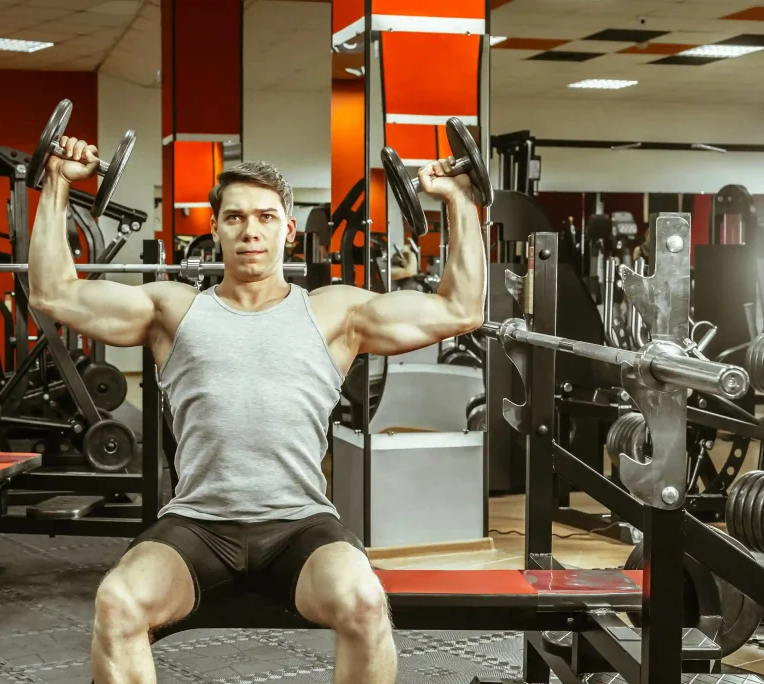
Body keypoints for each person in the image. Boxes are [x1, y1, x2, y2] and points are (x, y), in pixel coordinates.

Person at [27, 136, 486, 684]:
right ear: (215, 228)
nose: (251, 230)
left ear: (287, 229)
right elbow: (52, 293)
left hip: (299, 527)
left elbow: (461, 310)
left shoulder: (335, 312)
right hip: (197, 526)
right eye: (236, 217)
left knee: (365, 605)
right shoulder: (172, 309)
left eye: (266, 217)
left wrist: (459, 201)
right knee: (118, 603)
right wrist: (55, 182)